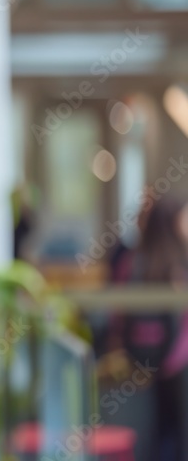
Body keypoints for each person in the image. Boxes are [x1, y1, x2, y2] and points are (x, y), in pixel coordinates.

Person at [105, 195, 186, 461]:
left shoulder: (131, 261)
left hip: (138, 359)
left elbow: (117, 313)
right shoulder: (179, 264)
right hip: (178, 361)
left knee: (147, 432)